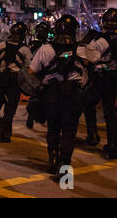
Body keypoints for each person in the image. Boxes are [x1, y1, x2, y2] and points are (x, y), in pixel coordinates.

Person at [28, 15, 88, 181]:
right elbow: (93, 62)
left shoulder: (46, 49)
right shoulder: (81, 49)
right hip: (73, 95)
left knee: (53, 128)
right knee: (69, 132)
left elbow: (31, 71)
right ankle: (64, 166)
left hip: (52, 94)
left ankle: (52, 160)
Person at [85, 8, 117, 160]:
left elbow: (89, 56)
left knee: (88, 105)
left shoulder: (102, 40)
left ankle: (92, 135)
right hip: (113, 79)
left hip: (100, 78)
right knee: (110, 113)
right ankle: (113, 146)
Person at [0, 22, 33, 143]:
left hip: (1, 78)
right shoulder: (25, 50)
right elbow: (30, 67)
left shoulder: (2, 45)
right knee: (10, 109)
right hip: (14, 81)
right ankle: (4, 131)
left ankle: (0, 126)